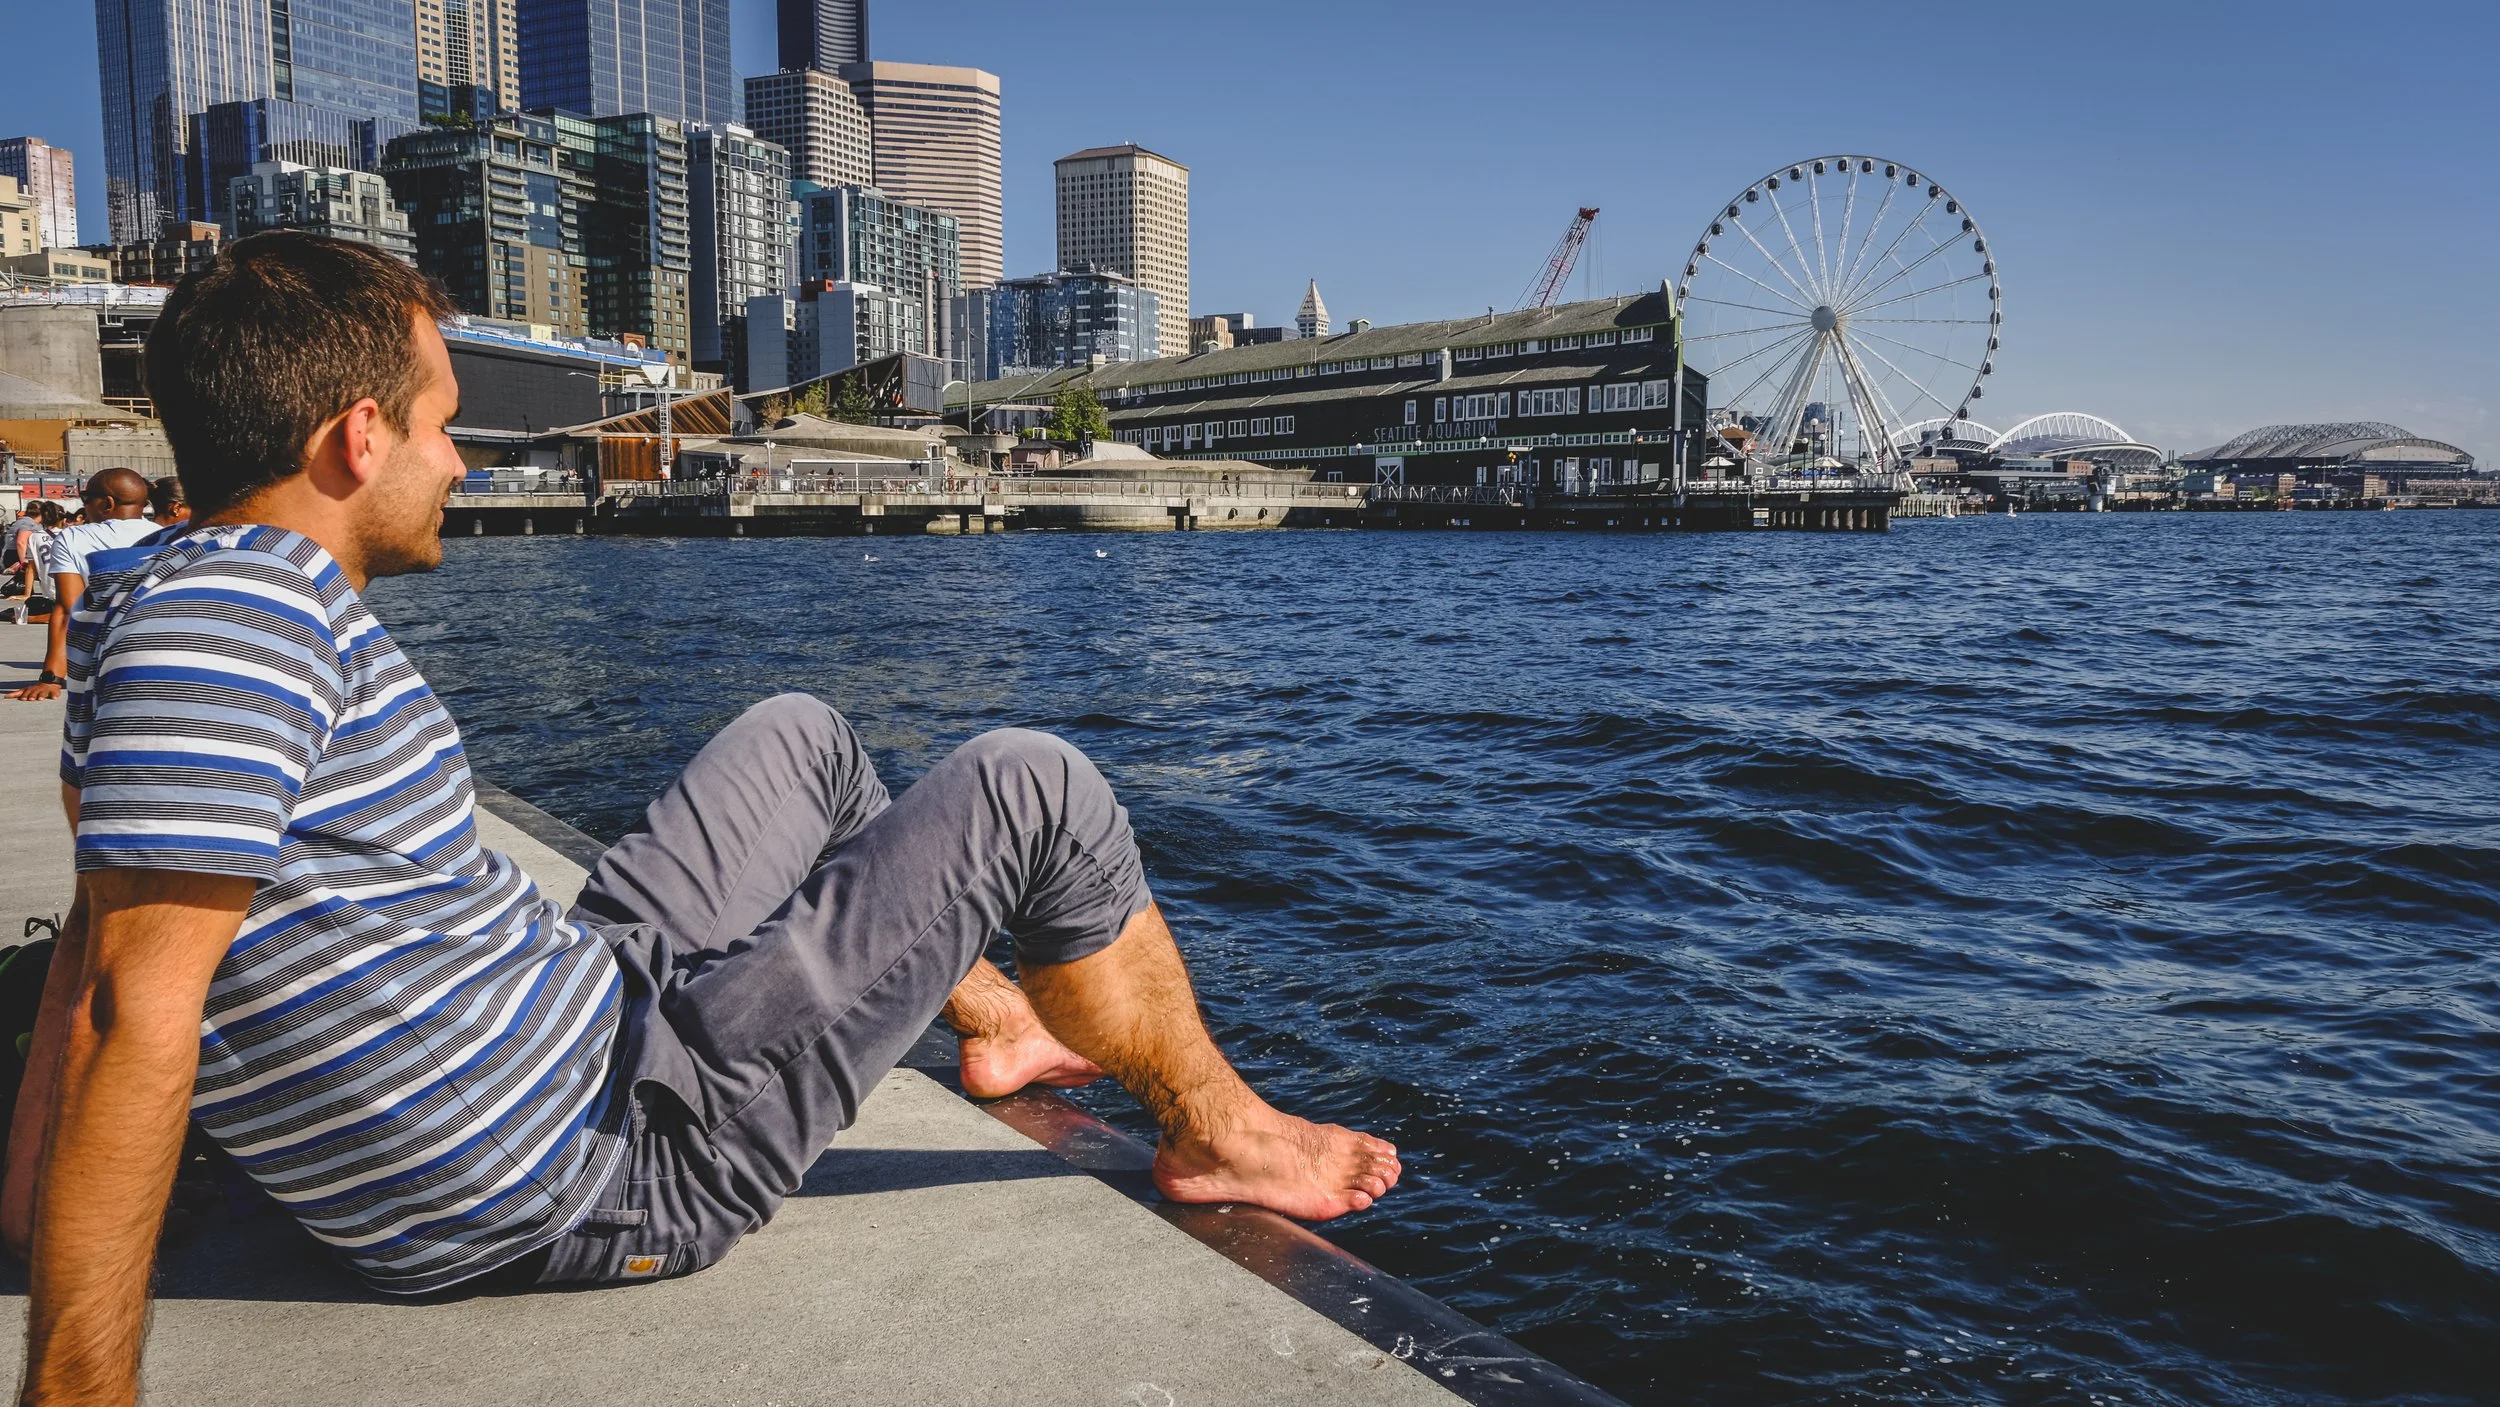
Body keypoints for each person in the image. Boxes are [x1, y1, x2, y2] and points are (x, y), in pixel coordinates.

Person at [4, 231, 1399, 1404]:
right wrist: (73, 1383)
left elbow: (90, 944)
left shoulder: (169, 601)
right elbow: (132, 1004)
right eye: (440, 428)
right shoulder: (242, 623)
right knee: (1037, 787)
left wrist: (19, 1214)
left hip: (582, 1022)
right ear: (356, 438)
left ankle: (993, 1017)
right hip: (613, 1159)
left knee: (798, 735)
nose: (464, 465)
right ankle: (1220, 1128)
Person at [3, 472, 158, 702]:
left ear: (107, 503)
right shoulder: (167, 534)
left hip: (107, 663)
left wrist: (50, 679)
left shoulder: (74, 537)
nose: (84, 505)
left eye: (86, 497)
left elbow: (69, 609)